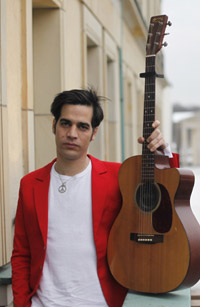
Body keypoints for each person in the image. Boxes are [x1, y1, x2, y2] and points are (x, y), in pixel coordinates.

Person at [11, 89, 178, 307]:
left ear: (94, 132)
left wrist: (163, 153)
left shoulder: (118, 177)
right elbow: (22, 254)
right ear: (54, 126)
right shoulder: (30, 184)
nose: (72, 133)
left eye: (82, 126)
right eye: (65, 123)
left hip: (100, 302)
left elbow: (167, 194)